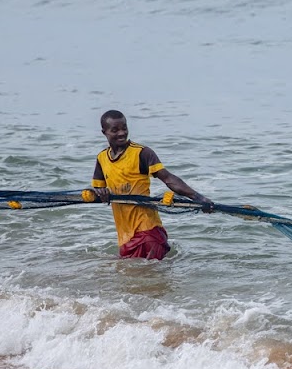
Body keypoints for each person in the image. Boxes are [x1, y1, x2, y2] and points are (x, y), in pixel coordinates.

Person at [91, 110, 213, 260]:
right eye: (115, 130)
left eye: (124, 128)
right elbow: (98, 188)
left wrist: (198, 197)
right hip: (125, 235)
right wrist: (101, 193)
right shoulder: (102, 158)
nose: (122, 133)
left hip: (148, 231)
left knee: (152, 279)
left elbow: (168, 178)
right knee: (131, 280)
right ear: (104, 132)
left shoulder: (142, 153)